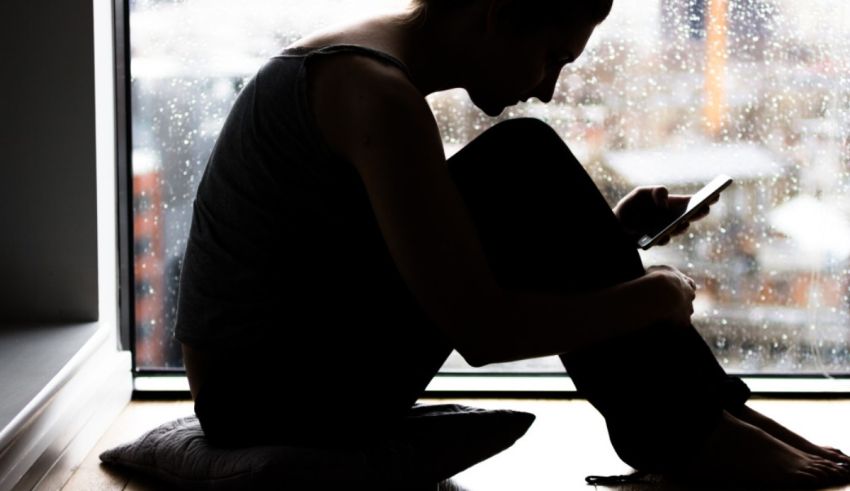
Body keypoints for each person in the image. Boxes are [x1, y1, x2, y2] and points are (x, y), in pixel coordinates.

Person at [174, 0, 850, 487]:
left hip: (274, 370)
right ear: (497, 15)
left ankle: (711, 420)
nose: (549, 88)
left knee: (525, 167)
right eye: (552, 56)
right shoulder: (377, 97)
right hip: (269, 401)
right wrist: (653, 297)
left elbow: (410, 259)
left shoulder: (357, 61)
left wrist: (606, 238)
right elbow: (484, 328)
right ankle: (696, 435)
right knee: (525, 160)